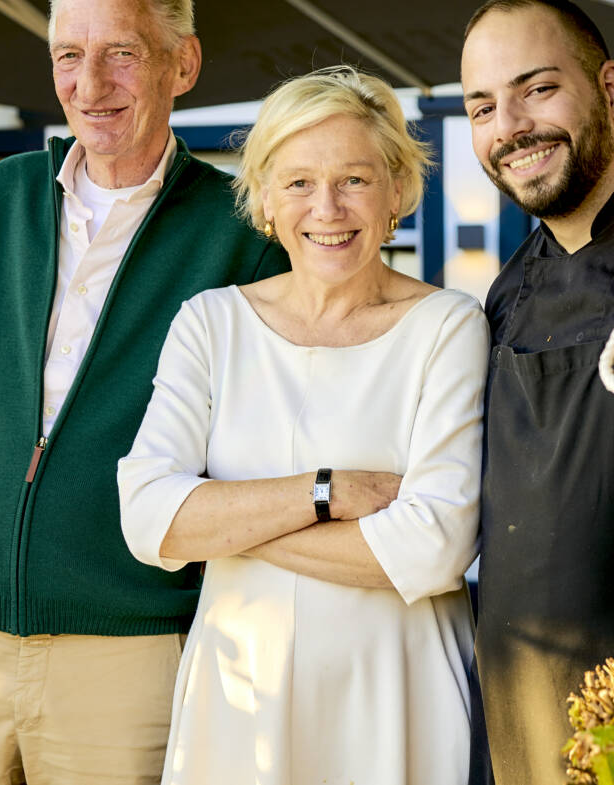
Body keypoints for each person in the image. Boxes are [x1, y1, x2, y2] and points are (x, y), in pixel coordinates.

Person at [0, 0, 290, 785]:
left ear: (184, 63)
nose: (90, 82)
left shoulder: (242, 230)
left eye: (121, 53)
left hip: (127, 651)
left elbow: (258, 449)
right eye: (70, 54)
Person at [117, 66, 487, 785]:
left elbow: (434, 547)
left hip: (398, 696)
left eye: (355, 178)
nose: (328, 207)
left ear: (397, 194)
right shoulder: (211, 324)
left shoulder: (447, 326)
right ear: (263, 200)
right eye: (298, 183)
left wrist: (228, 519)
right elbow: (145, 517)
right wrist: (329, 491)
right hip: (239, 698)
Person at [460, 0, 614, 784]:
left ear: (612, 90)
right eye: (483, 106)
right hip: (514, 735)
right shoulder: (505, 293)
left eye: (537, 89)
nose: (511, 126)